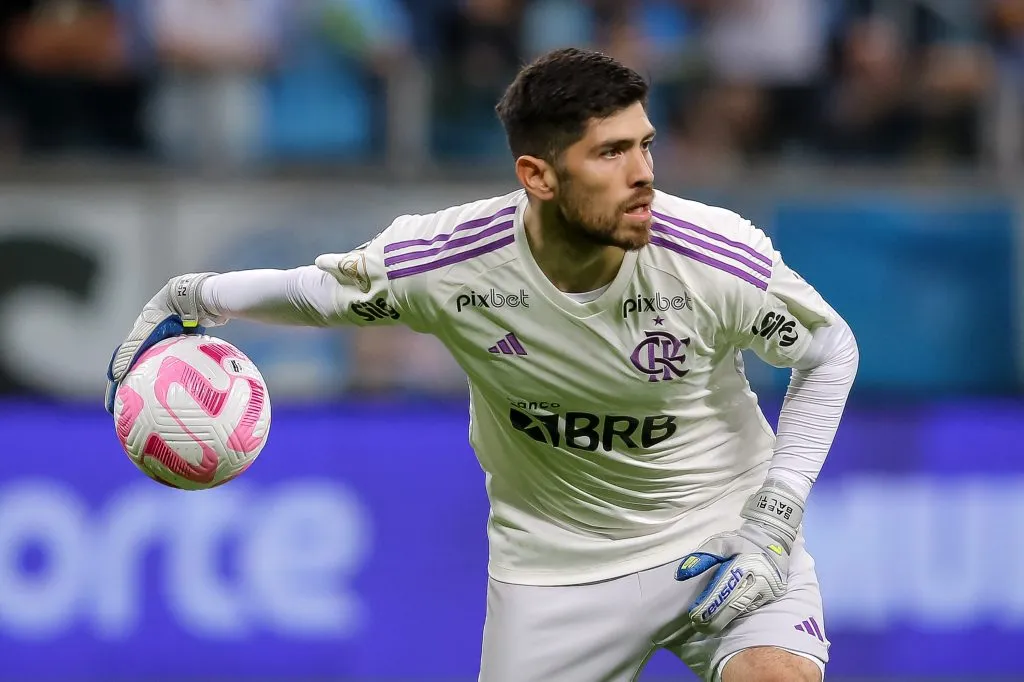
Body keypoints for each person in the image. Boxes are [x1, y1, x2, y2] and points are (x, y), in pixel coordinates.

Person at [105, 47, 858, 682]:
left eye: (645, 144)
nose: (645, 174)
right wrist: (197, 294)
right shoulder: (449, 262)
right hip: (554, 571)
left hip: (723, 536)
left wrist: (773, 521)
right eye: (610, 152)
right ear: (538, 175)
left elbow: (829, 350)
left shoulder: (712, 255)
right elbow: (320, 293)